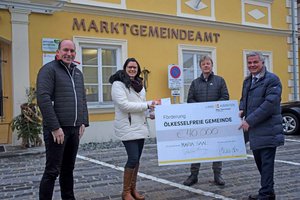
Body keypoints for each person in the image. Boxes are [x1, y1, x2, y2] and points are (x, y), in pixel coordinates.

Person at [37, 39, 89, 200]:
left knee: (68, 169)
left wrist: (83, 121)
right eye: (65, 50)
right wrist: (54, 127)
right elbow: (43, 98)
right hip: (57, 130)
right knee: (52, 171)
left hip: (74, 129)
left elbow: (82, 99)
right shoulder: (48, 70)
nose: (69, 54)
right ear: (58, 52)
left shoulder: (77, 73)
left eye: (72, 51)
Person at [239, 52, 284, 200]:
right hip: (255, 131)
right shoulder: (247, 81)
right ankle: (268, 191)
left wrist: (249, 120)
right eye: (249, 63)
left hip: (268, 129)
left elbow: (269, 105)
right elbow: (243, 100)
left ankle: (266, 193)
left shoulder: (272, 80)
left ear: (262, 63)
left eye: (255, 62)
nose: (252, 65)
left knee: (266, 164)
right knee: (260, 163)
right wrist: (241, 110)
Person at [109, 58, 156, 200]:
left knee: (137, 160)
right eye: (130, 67)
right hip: (127, 127)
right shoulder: (118, 84)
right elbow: (124, 105)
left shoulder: (139, 85)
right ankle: (125, 192)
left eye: (135, 67)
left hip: (140, 126)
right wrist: (147, 105)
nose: (132, 69)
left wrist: (150, 113)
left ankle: (133, 190)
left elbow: (140, 106)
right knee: (133, 158)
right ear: (125, 68)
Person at [183, 55, 229, 187]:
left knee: (216, 148)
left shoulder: (220, 81)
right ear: (200, 66)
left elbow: (225, 97)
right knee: (197, 148)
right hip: (200, 121)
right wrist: (201, 109)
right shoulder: (195, 83)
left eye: (208, 63)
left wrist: (213, 108)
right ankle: (193, 175)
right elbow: (190, 99)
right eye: (203, 64)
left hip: (215, 120)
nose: (206, 66)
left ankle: (217, 175)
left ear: (212, 65)